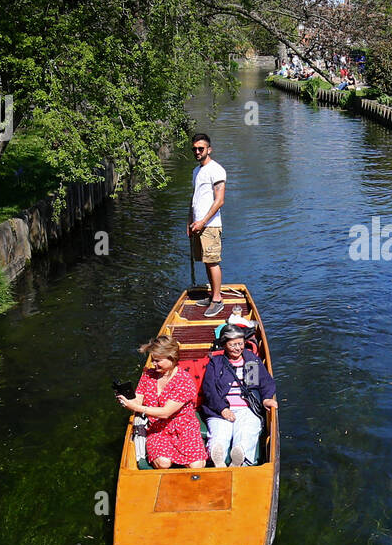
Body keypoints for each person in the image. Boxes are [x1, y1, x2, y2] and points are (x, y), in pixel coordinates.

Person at [118, 335, 206, 469]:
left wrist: (136, 407)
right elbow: (138, 399)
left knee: (196, 465)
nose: (153, 364)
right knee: (163, 463)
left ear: (171, 358)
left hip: (184, 428)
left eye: (157, 361)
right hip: (158, 428)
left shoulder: (184, 381)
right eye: (153, 360)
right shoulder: (148, 375)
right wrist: (127, 400)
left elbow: (165, 413)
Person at [200, 324, 278, 468]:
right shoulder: (216, 363)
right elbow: (209, 389)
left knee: (247, 431)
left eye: (240, 344)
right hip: (220, 410)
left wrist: (266, 398)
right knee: (219, 434)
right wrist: (222, 409)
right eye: (233, 345)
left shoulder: (251, 360)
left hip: (247, 408)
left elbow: (264, 382)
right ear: (224, 345)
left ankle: (240, 457)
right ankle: (218, 460)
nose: (238, 348)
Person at [189, 133, 227, 317]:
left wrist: (203, 222)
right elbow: (194, 198)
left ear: (209, 150)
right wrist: (190, 221)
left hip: (210, 225)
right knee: (206, 260)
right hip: (197, 224)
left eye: (201, 148)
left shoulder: (216, 170)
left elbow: (219, 201)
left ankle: (217, 299)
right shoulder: (196, 171)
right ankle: (212, 294)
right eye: (194, 149)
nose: (197, 151)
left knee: (213, 261)